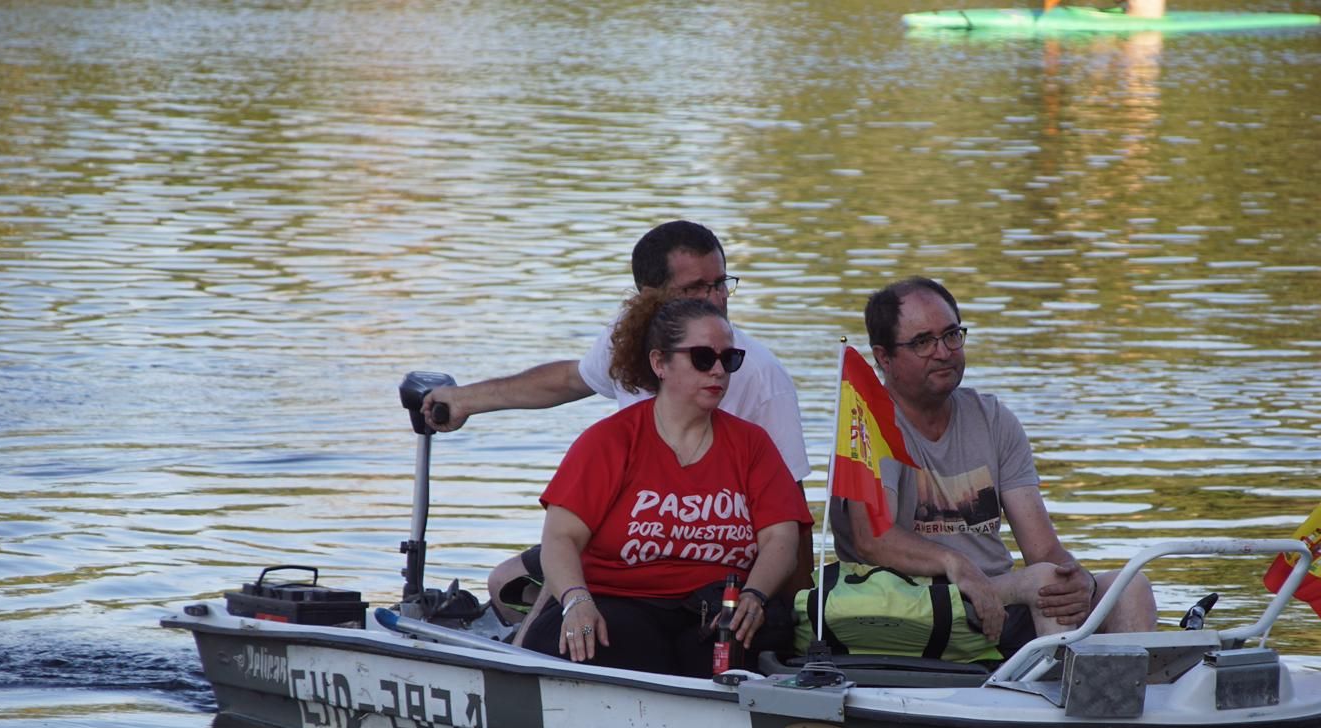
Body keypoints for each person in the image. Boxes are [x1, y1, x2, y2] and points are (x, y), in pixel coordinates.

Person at [419, 220, 812, 609]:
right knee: (505, 583)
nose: (715, 299)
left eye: (720, 284)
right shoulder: (628, 336)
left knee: (550, 591)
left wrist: (791, 617)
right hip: (628, 538)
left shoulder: (760, 375)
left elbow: (791, 513)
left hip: (709, 559)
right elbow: (572, 379)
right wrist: (467, 399)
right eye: (695, 288)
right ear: (649, 298)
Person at [830, 277, 1156, 658]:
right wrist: (956, 565)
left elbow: (1043, 548)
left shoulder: (994, 419)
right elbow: (873, 539)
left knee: (1130, 586)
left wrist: (1079, 580)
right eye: (923, 342)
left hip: (996, 598)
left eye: (952, 335)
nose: (943, 352)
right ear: (883, 358)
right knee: (1044, 582)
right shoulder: (868, 425)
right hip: (910, 607)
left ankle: (1127, 707)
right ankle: (1064, 706)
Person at [520, 290, 811, 676]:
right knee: (607, 641)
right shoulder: (610, 440)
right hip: (621, 603)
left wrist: (754, 595)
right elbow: (560, 538)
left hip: (716, 607)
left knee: (749, 639)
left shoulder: (752, 444)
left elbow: (780, 539)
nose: (719, 371)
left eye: (730, 359)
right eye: (703, 358)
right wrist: (576, 601)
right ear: (660, 362)